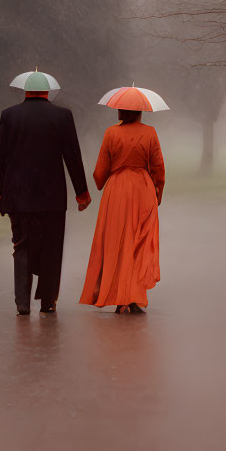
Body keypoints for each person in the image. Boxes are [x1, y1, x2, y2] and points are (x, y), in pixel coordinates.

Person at [0, 76, 90, 316]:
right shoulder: (62, 116)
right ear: (48, 92)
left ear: (25, 91)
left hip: (18, 196)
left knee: (21, 246)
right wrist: (82, 193)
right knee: (51, 248)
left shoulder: (9, 115)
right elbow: (73, 157)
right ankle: (48, 301)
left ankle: (22, 303)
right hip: (52, 197)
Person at [79, 108, 165, 313]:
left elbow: (100, 171)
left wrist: (103, 181)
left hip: (117, 190)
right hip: (142, 189)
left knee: (117, 241)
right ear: (140, 112)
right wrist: (158, 192)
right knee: (139, 241)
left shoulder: (111, 133)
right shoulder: (150, 132)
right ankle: (133, 295)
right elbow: (158, 167)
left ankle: (119, 295)